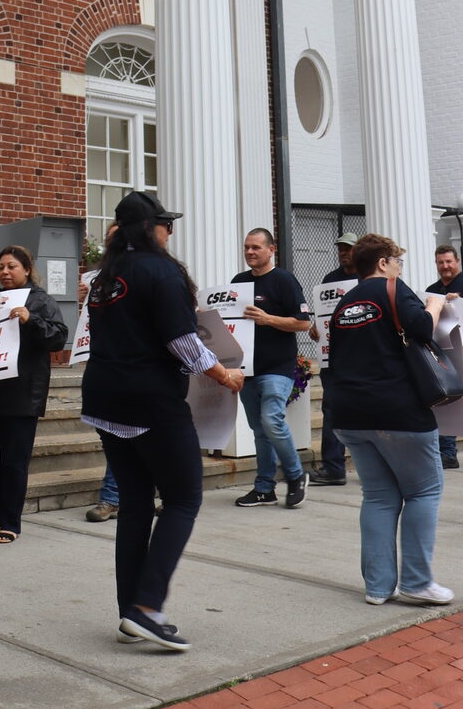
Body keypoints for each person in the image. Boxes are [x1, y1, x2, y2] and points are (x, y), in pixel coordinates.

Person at [81, 191, 244, 652]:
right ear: (150, 228)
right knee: (183, 498)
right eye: (166, 224)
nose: (170, 232)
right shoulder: (161, 271)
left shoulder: (104, 278)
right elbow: (182, 343)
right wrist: (224, 374)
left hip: (105, 398)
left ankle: (129, 608)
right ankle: (148, 608)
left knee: (134, 505)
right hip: (150, 400)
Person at [328, 233, 452, 606]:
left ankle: (378, 587)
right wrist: (434, 303)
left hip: (349, 413)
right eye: (396, 261)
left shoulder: (344, 303)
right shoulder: (394, 290)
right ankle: (416, 581)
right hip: (398, 411)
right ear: (382, 263)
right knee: (423, 491)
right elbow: (420, 329)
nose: (399, 268)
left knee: (379, 497)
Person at [0, 245, 68, 542]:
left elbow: (59, 337)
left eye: (12, 267)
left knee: (13, 461)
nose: (6, 272)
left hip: (21, 395)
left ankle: (9, 521)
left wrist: (29, 319)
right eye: (2, 267)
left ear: (27, 269)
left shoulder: (40, 300)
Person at [233, 228, 312, 510]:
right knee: (259, 430)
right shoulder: (238, 283)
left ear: (271, 249)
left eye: (256, 247)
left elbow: (304, 323)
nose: (250, 252)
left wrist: (268, 319)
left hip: (278, 366)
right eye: (246, 247)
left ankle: (295, 475)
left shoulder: (284, 281)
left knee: (271, 420)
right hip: (247, 368)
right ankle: (265, 488)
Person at [308, 231, 359, 486]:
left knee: (367, 411)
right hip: (333, 360)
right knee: (331, 409)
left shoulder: (366, 278)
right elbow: (321, 318)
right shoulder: (329, 280)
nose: (343, 253)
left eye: (348, 248)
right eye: (340, 248)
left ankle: (381, 464)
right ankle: (333, 467)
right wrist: (315, 327)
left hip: (362, 359)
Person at [83, 224, 120, 524]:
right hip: (106, 369)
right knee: (114, 435)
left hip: (137, 372)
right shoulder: (98, 280)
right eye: (109, 239)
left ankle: (113, 497)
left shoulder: (152, 274)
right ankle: (117, 497)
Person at [426, 243, 463, 469]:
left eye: (449, 261)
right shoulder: (432, 290)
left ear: (457, 261)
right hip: (445, 354)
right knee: (447, 400)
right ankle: (447, 453)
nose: (445, 266)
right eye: (441, 262)